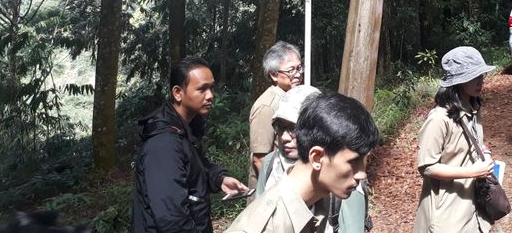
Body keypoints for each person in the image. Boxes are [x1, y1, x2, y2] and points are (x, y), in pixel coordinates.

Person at [225, 92, 380, 233]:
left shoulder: (316, 201)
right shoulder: (265, 227)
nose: (362, 174)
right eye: (353, 162)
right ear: (317, 157)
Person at [132, 56, 248, 232]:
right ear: (177, 93)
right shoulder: (164, 145)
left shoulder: (186, 128)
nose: (210, 96)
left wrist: (220, 179)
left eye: (211, 88)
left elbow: (195, 167)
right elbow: (172, 219)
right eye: (202, 89)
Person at [413, 46, 496, 233]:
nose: (480, 81)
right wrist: (473, 172)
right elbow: (427, 167)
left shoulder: (472, 108)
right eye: (474, 76)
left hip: (472, 204)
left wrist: (484, 151)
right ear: (458, 81)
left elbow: (470, 142)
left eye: (481, 75)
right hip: (447, 212)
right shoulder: (438, 119)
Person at [248, 41, 304, 190]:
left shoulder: (295, 96)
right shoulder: (267, 106)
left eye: (299, 68)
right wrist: (275, 193)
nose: (298, 74)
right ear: (274, 75)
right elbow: (259, 159)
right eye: (291, 70)